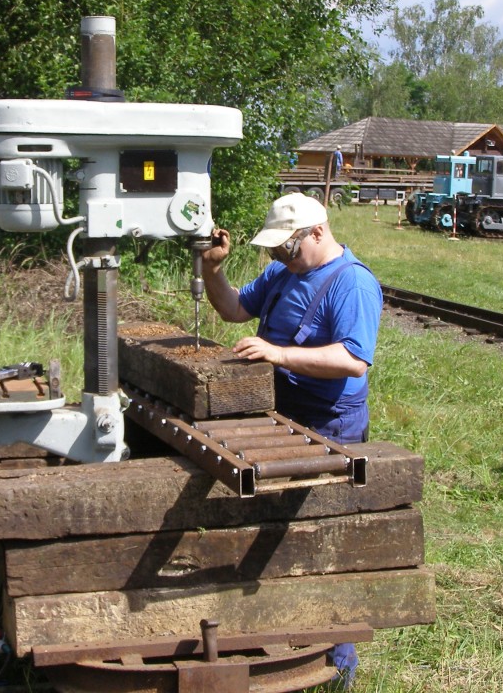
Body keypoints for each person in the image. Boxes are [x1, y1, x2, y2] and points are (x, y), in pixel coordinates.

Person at [201, 191, 382, 685]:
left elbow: (352, 360)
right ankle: (277, 627)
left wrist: (277, 355)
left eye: (287, 247)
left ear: (317, 233)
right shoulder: (285, 274)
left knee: (323, 541)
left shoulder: (353, 284)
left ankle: (338, 660)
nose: (281, 256)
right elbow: (235, 310)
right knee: (271, 534)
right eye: (276, 249)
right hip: (280, 416)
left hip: (329, 425)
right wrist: (212, 270)